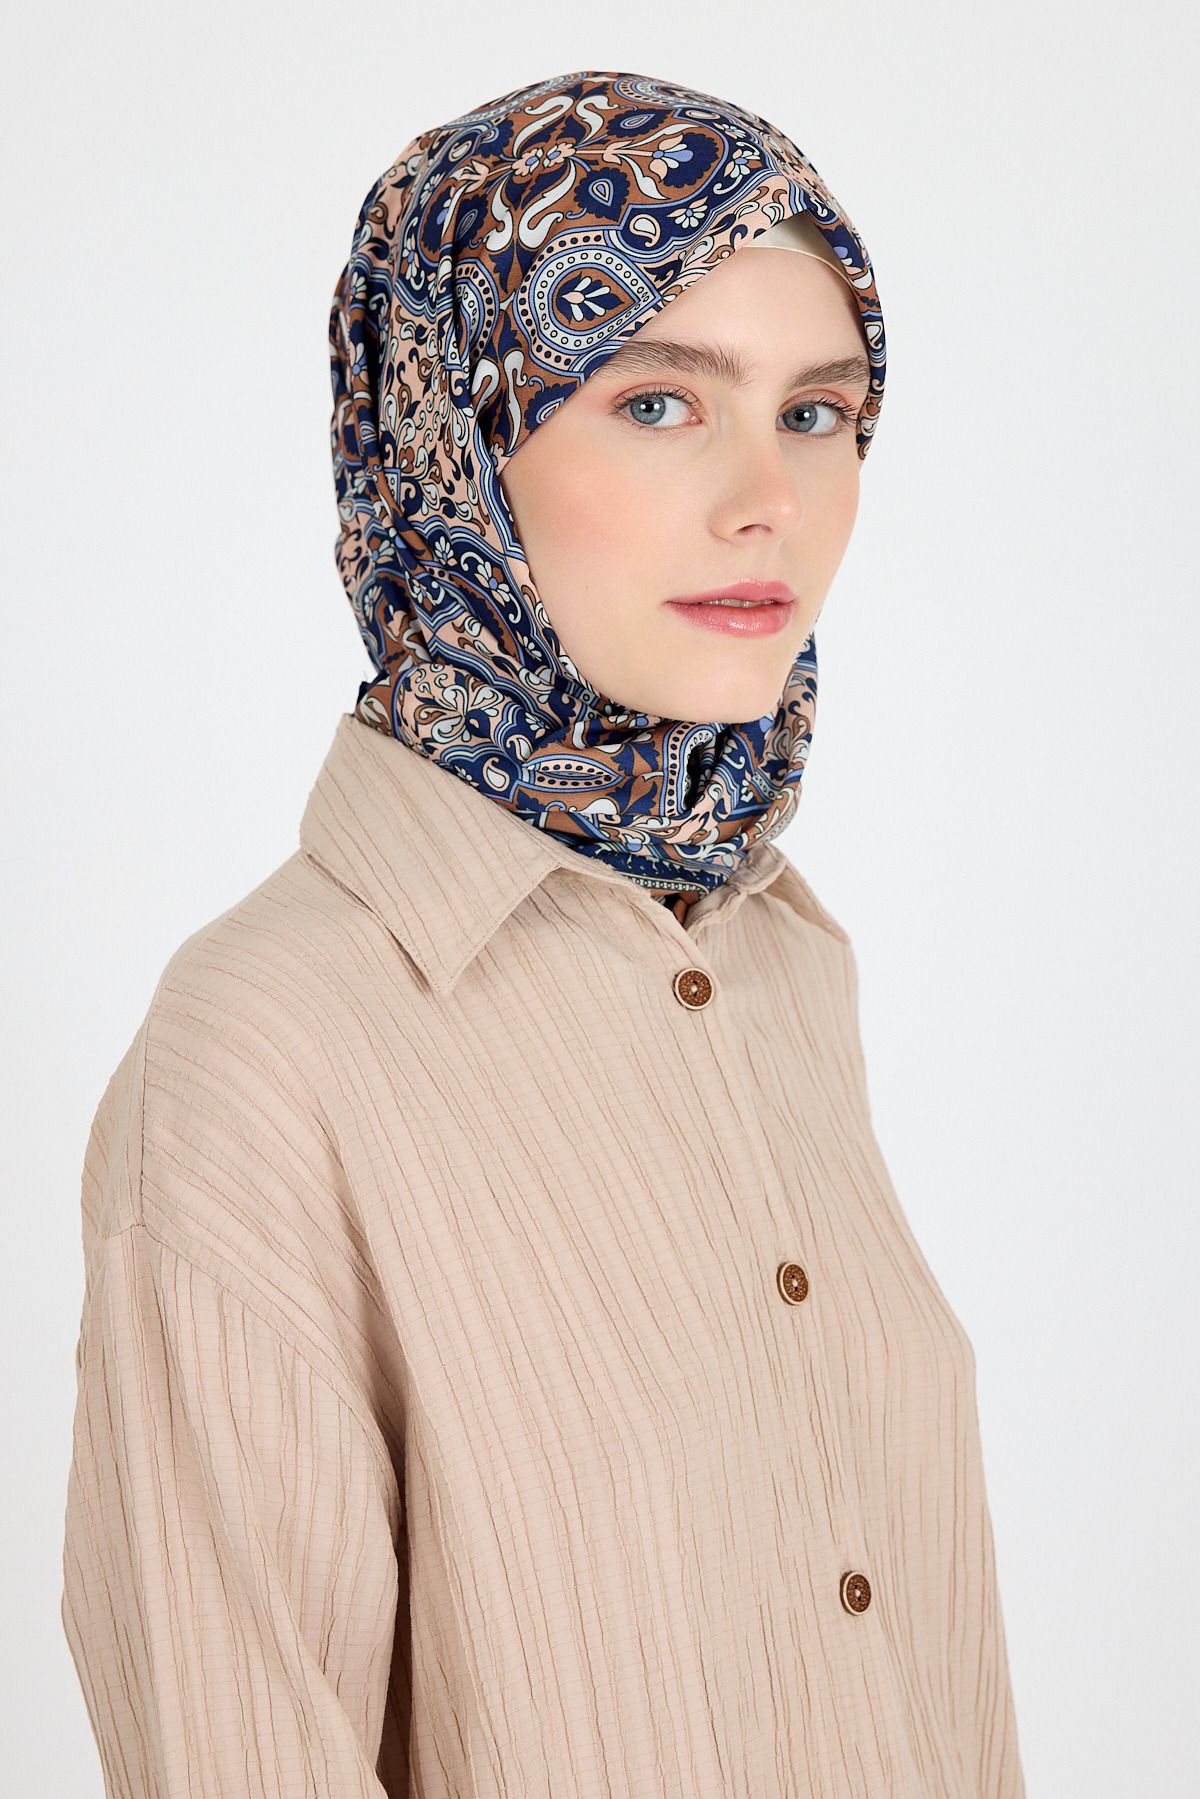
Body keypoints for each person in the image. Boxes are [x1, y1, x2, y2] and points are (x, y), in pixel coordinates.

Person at [62, 70, 1024, 1799]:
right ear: (450, 443)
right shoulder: (267, 1044)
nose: (770, 497)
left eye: (821, 412)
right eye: (657, 401)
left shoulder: (778, 961)